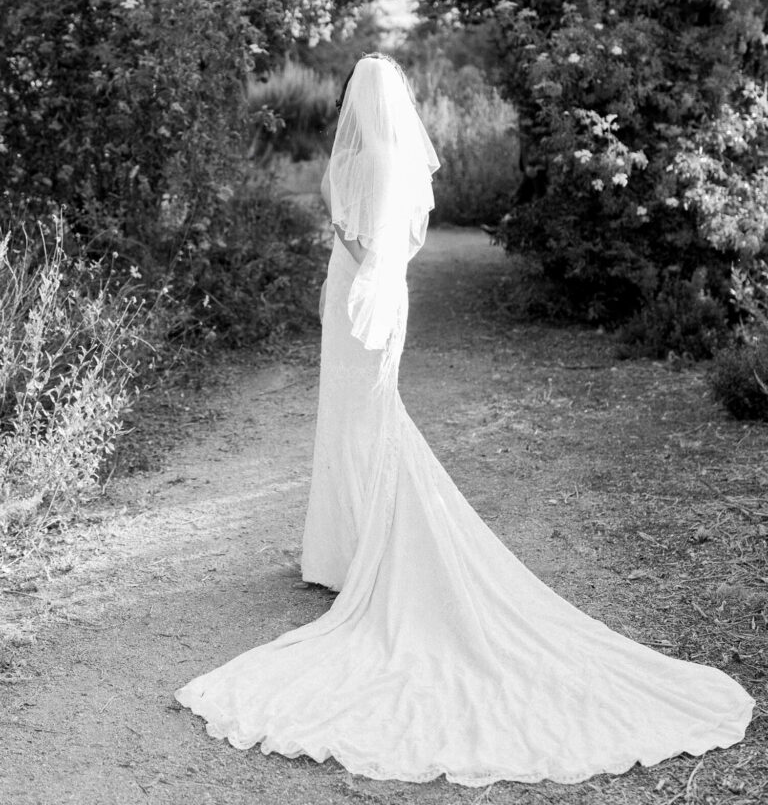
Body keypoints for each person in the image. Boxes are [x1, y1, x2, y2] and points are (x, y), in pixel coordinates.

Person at [175, 54, 754, 786]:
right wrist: (378, 266)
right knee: (371, 419)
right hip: (387, 297)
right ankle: (354, 549)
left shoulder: (351, 161)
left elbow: (355, 240)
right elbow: (410, 237)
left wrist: (344, 231)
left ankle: (352, 553)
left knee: (352, 422)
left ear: (358, 100)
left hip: (355, 295)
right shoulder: (398, 159)